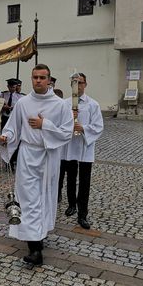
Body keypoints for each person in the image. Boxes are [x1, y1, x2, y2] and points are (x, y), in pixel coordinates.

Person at [0, 64, 73, 266]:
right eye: (35, 77)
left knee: (45, 197)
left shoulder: (60, 105)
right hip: (28, 155)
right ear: (31, 79)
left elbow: (67, 132)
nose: (38, 81)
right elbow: (13, 127)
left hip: (49, 156)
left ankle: (39, 234)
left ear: (49, 80)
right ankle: (35, 249)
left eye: (42, 77)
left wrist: (45, 125)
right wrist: (6, 137)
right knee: (29, 199)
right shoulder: (23, 103)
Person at [60, 73, 103, 230]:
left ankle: (82, 214)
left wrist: (83, 128)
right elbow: (58, 124)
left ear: (85, 84)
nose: (77, 86)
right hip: (70, 145)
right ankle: (72, 204)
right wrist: (70, 120)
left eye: (80, 83)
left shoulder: (93, 105)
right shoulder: (64, 104)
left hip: (85, 147)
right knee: (71, 177)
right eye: (74, 83)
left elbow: (98, 126)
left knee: (84, 181)